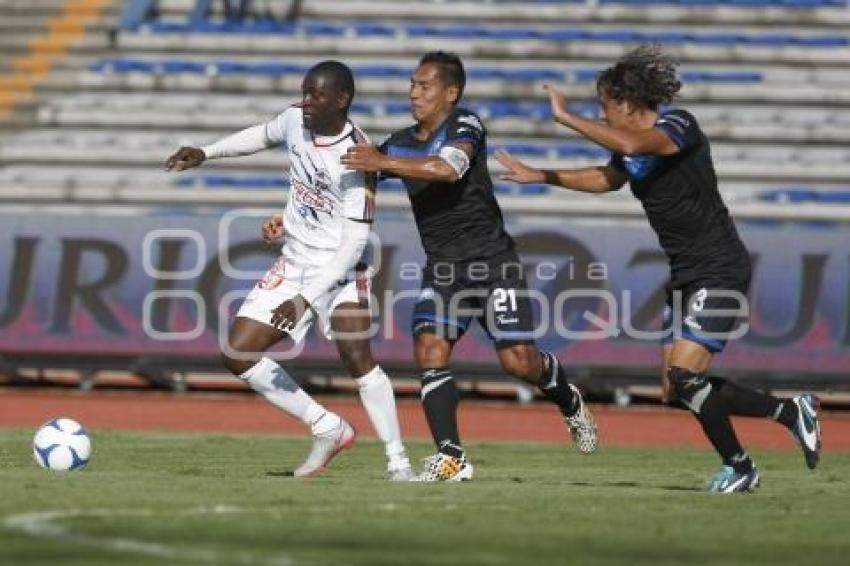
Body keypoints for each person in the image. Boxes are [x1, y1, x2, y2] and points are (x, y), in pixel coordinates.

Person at [496, 45, 822, 493]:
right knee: (675, 389)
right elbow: (608, 177)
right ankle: (790, 412)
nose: (601, 113)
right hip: (684, 272)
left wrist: (568, 118)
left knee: (688, 375)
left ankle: (741, 467)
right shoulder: (630, 148)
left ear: (628, 103)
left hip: (719, 266)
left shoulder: (678, 126)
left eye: (605, 105)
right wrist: (543, 176)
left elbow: (632, 143)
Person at [341, 51, 598, 482]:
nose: (414, 92)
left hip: (492, 263)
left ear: (451, 93)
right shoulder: (400, 140)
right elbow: (352, 179)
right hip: (444, 268)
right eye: (412, 84)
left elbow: (448, 168)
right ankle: (451, 456)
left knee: (518, 363)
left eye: (424, 85)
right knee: (429, 350)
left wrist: (382, 162)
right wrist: (290, 214)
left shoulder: (467, 126)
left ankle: (566, 396)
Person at [164, 61, 414, 480]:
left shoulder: (358, 157)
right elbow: (260, 137)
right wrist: (207, 151)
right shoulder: (296, 120)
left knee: (358, 358)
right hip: (295, 260)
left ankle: (399, 462)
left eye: (316, 95)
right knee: (238, 353)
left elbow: (352, 244)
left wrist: (304, 299)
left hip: (340, 269)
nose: (307, 102)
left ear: (342, 99)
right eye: (305, 92)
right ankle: (327, 426)